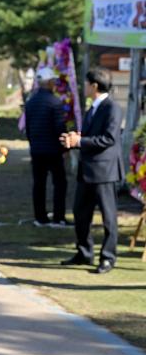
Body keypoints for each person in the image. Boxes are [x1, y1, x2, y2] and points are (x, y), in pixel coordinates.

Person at [59, 68, 123, 274]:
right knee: (80, 213)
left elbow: (109, 139)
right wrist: (75, 139)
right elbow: (90, 136)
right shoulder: (92, 108)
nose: (83, 87)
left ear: (94, 86)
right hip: (87, 170)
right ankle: (84, 252)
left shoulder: (112, 107)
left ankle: (108, 257)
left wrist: (81, 140)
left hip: (105, 171)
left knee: (108, 217)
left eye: (86, 84)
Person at [24, 67, 68, 227]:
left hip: (37, 150)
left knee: (39, 184)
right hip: (54, 150)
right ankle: (58, 217)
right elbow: (60, 129)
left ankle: (40, 217)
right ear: (49, 82)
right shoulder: (55, 102)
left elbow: (28, 128)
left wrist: (33, 144)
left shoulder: (30, 102)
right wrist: (65, 148)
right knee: (60, 183)